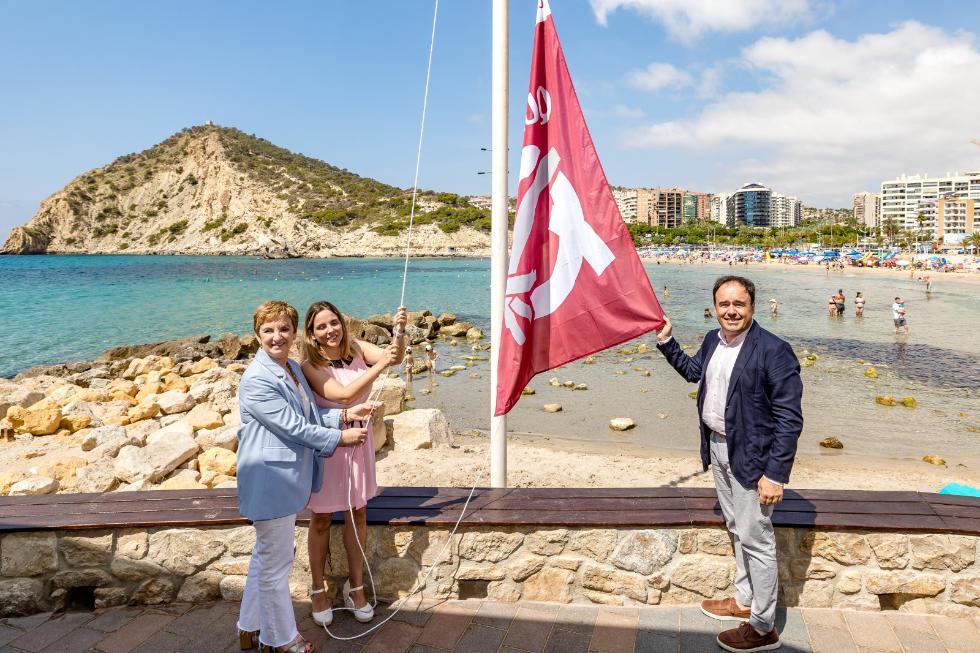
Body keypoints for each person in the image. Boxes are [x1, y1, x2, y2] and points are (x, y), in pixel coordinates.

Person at [655, 276, 803, 652]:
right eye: (724, 304)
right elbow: (693, 373)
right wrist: (666, 340)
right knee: (737, 526)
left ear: (752, 306)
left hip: (753, 459)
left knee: (757, 539)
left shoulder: (773, 350)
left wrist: (775, 474)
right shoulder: (711, 340)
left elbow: (789, 418)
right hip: (717, 449)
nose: (731, 311)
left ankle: (763, 625)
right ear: (715, 306)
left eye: (739, 304)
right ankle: (743, 600)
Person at [236, 301, 372, 653]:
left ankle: (248, 628)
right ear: (256, 336)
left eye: (283, 329)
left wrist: (343, 417)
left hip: (285, 480)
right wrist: (340, 437)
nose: (277, 336)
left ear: (294, 332)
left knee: (264, 557)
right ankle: (280, 639)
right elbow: (294, 428)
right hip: (270, 481)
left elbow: (309, 416)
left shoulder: (292, 369)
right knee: (275, 565)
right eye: (268, 330)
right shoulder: (257, 380)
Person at [301, 302, 408, 625]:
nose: (330, 330)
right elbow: (344, 396)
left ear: (342, 323)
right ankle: (318, 589)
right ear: (311, 333)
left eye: (334, 323)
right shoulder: (311, 364)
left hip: (360, 441)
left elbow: (396, 356)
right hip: (329, 445)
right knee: (320, 518)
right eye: (321, 326)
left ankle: (356, 587)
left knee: (357, 512)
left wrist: (399, 332)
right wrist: (380, 368)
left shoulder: (357, 348)